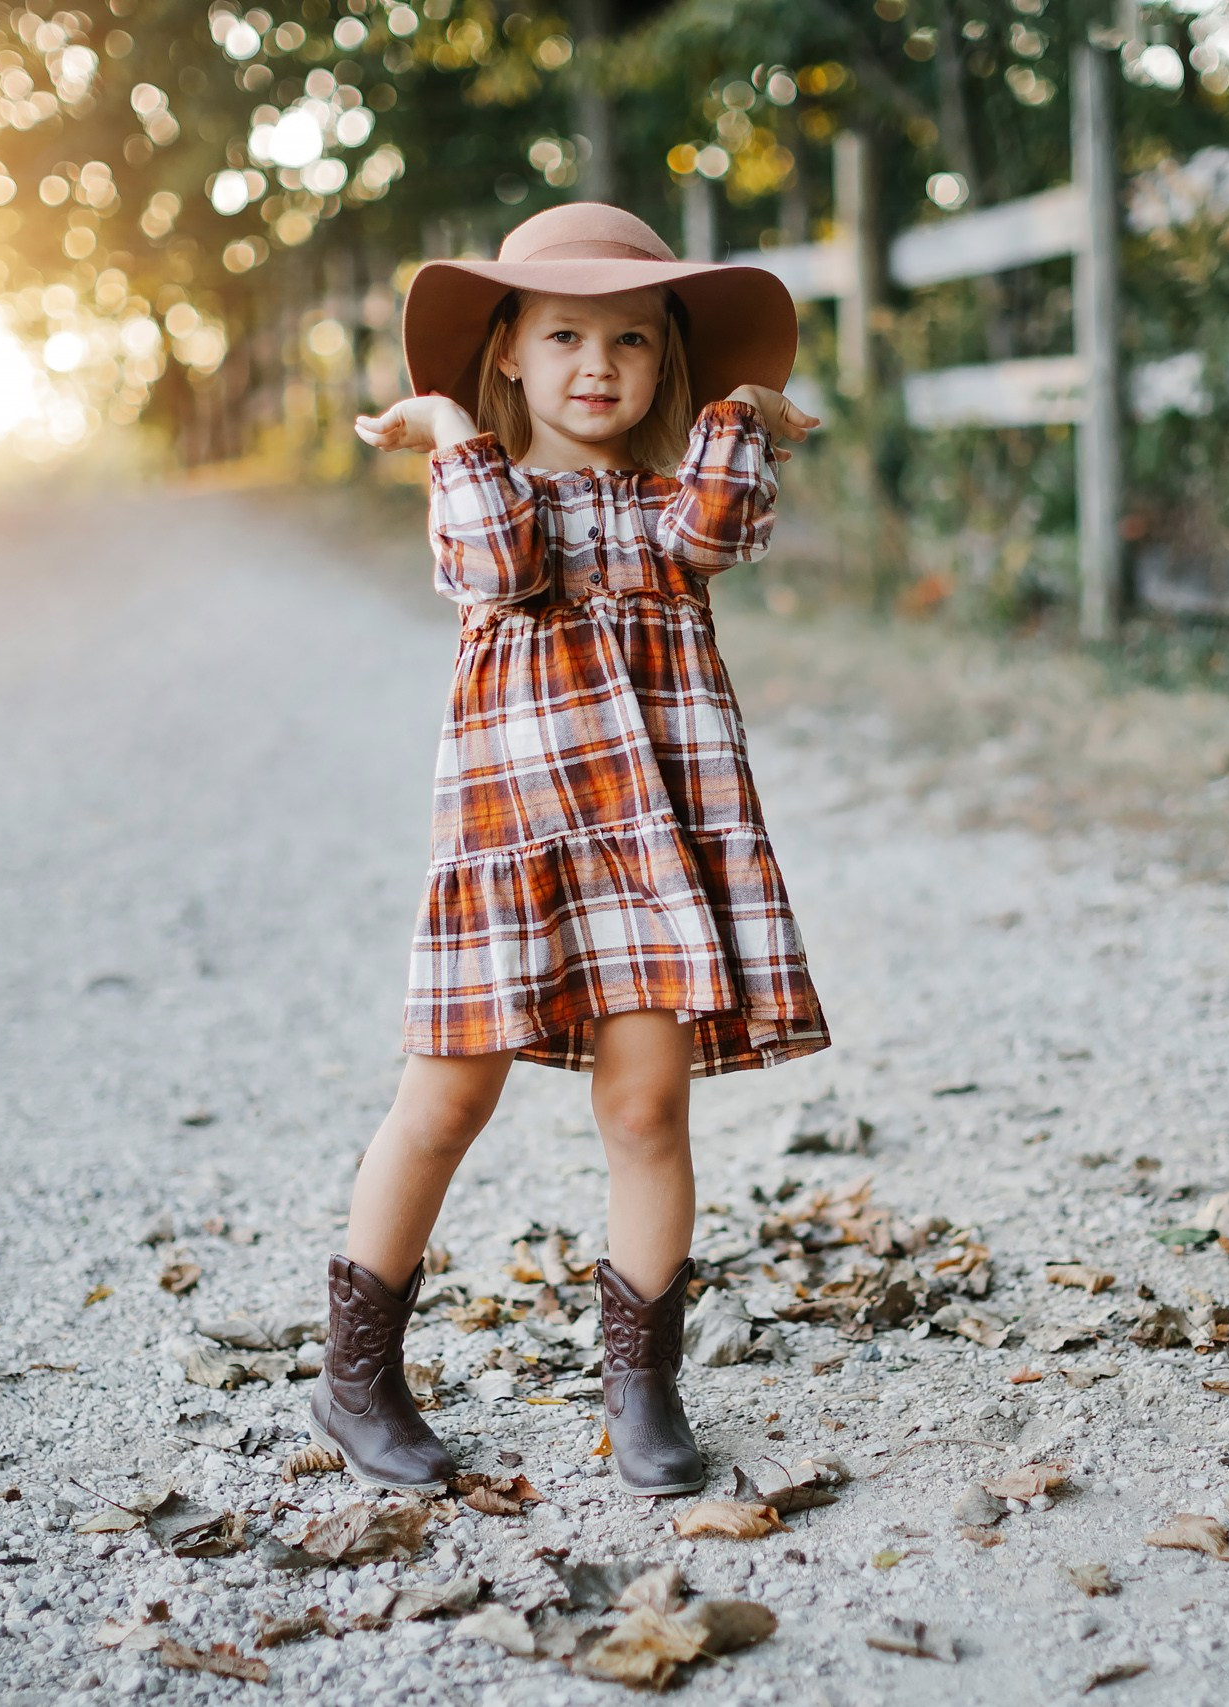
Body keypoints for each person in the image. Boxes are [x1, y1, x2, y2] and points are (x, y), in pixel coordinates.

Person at [313, 201, 830, 1498]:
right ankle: (357, 1377)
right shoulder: (481, 494)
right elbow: (503, 563)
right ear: (509, 349)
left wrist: (738, 411)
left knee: (648, 1109)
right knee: (447, 1101)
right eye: (563, 335)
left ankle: (643, 1389)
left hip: (650, 851)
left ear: (666, 360)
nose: (598, 363)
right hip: (516, 842)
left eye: (632, 339)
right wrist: (452, 428)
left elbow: (719, 529)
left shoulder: (669, 510)